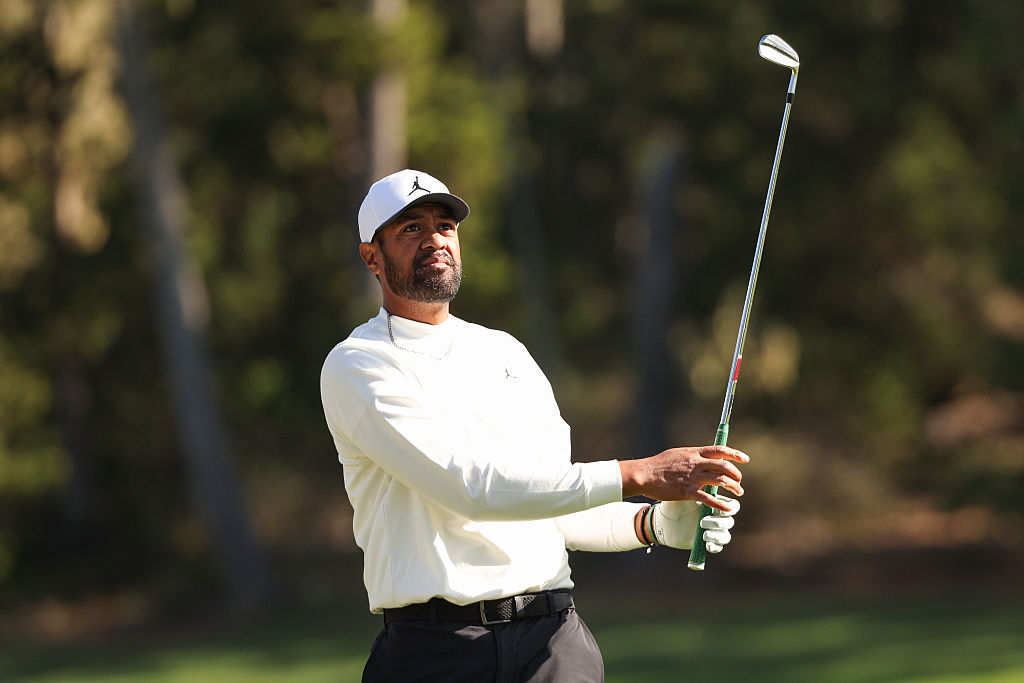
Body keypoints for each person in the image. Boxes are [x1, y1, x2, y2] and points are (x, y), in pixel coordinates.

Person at [320, 169, 749, 682]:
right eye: (411, 229)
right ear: (372, 256)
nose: (435, 239)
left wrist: (651, 524)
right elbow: (470, 487)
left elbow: (550, 503)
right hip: (435, 651)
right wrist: (640, 474)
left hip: (553, 643)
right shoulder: (359, 364)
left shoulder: (505, 352)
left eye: (445, 226)